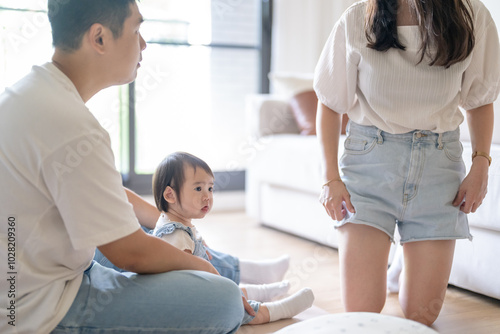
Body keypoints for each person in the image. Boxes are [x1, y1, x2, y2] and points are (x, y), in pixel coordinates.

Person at [0, 1, 247, 333]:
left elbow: (109, 197)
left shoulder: (32, 92)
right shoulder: (73, 126)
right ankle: (229, 275)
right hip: (41, 307)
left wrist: (164, 217)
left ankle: (235, 269)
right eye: (136, 30)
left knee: (160, 230)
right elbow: (132, 253)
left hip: (37, 273)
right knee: (224, 300)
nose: (143, 43)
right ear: (99, 38)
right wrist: (204, 268)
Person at [315, 0, 499, 326]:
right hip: (370, 165)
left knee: (420, 316)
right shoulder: (358, 17)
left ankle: (403, 259)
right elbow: (330, 104)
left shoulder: (472, 15)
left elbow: (480, 100)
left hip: (439, 170)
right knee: (362, 313)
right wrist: (330, 179)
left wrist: (481, 165)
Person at [150, 151, 315, 325]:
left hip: (195, 290)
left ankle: (263, 290)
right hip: (190, 300)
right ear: (170, 195)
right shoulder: (175, 234)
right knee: (236, 309)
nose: (207, 196)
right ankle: (278, 310)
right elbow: (188, 278)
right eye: (198, 188)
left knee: (230, 291)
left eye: (210, 188)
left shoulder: (175, 223)